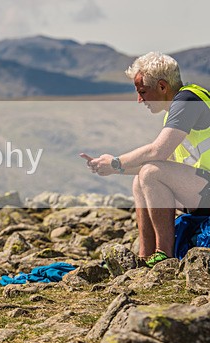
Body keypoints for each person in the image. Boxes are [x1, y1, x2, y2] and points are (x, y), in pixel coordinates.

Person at [81, 52, 210, 267]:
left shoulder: (188, 100)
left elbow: (157, 152)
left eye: (142, 92)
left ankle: (164, 257)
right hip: (200, 190)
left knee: (150, 173)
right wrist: (114, 169)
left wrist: (116, 162)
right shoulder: (174, 112)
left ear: (162, 86)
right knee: (141, 178)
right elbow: (164, 161)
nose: (139, 100)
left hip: (204, 190)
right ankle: (145, 257)